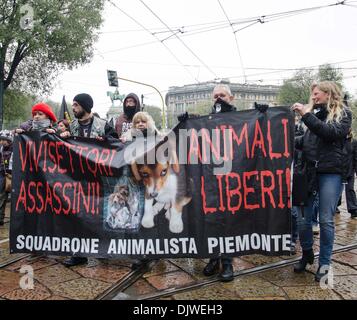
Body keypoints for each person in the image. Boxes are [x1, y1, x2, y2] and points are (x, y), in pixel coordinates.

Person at [292, 81, 352, 282]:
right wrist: (279, 130)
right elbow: (305, 140)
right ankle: (307, 252)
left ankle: (325, 262)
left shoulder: (343, 114)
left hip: (330, 172)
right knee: (302, 219)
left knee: (326, 220)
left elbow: (330, 133)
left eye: (317, 94)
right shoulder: (314, 114)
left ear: (328, 94)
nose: (314, 97)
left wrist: (306, 115)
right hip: (308, 171)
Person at [61, 93, 118, 267]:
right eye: (73, 104)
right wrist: (58, 136)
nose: (73, 108)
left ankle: (104, 248)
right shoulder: (71, 126)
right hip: (78, 179)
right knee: (78, 214)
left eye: (76, 105)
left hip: (100, 179)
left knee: (102, 214)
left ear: (85, 106)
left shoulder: (104, 125)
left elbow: (116, 145)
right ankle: (79, 254)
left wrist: (105, 141)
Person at [202, 84, 236, 282]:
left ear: (230, 98)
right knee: (212, 219)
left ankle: (228, 262)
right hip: (211, 177)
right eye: (215, 96)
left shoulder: (242, 119)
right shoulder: (206, 120)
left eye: (222, 95)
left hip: (232, 178)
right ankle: (213, 258)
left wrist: (263, 116)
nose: (218, 99)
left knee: (228, 221)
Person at [121, 111, 160, 270]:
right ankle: (138, 255)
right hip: (133, 185)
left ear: (149, 122)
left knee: (150, 220)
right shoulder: (127, 140)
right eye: (137, 122)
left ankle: (152, 253)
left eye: (144, 121)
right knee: (134, 219)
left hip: (152, 186)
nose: (140, 124)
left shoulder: (158, 139)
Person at [0, 130, 13, 226]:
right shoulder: (1, 149)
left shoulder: (15, 148)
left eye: (3, 140)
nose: (1, 142)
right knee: (2, 196)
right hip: (3, 175)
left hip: (12, 176)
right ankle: (0, 218)